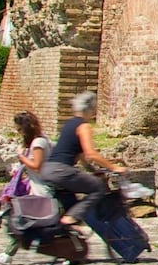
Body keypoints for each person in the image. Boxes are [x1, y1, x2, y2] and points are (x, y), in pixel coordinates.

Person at [39, 92, 126, 227]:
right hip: (61, 171)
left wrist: (93, 170)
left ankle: (67, 233)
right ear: (90, 109)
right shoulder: (84, 126)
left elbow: (80, 156)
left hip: (48, 169)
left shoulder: (69, 123)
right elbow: (91, 154)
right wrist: (114, 167)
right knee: (98, 187)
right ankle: (70, 218)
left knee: (71, 202)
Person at [0, 111, 53, 264]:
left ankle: (8, 254)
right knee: (21, 219)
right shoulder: (37, 142)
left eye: (19, 129)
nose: (19, 133)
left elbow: (37, 166)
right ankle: (9, 253)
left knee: (21, 220)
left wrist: (22, 157)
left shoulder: (39, 143)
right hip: (35, 187)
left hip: (41, 190)